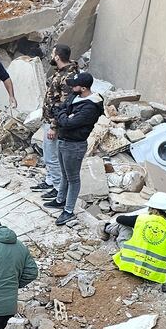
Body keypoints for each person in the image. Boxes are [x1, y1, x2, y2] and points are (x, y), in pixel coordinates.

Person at [51, 71, 104, 225]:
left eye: (75, 85)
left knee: (73, 178)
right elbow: (62, 109)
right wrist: (64, 115)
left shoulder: (90, 107)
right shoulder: (74, 96)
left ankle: (68, 210)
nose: (71, 87)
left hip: (74, 145)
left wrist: (62, 116)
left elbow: (68, 122)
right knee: (64, 174)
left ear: (83, 88)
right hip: (63, 140)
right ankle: (60, 199)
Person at [112, 192, 166, 284]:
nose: (149, 211)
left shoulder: (142, 219)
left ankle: (104, 228)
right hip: (154, 275)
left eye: (150, 208)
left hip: (129, 265)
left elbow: (119, 219)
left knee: (123, 226)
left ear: (155, 210)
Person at [37, 45, 75, 198]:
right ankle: (50, 180)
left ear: (57, 57)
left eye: (53, 54)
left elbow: (64, 104)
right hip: (50, 119)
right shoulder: (62, 73)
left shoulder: (67, 77)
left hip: (55, 123)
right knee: (49, 153)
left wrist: (54, 126)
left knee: (51, 156)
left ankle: (58, 187)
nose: (51, 57)